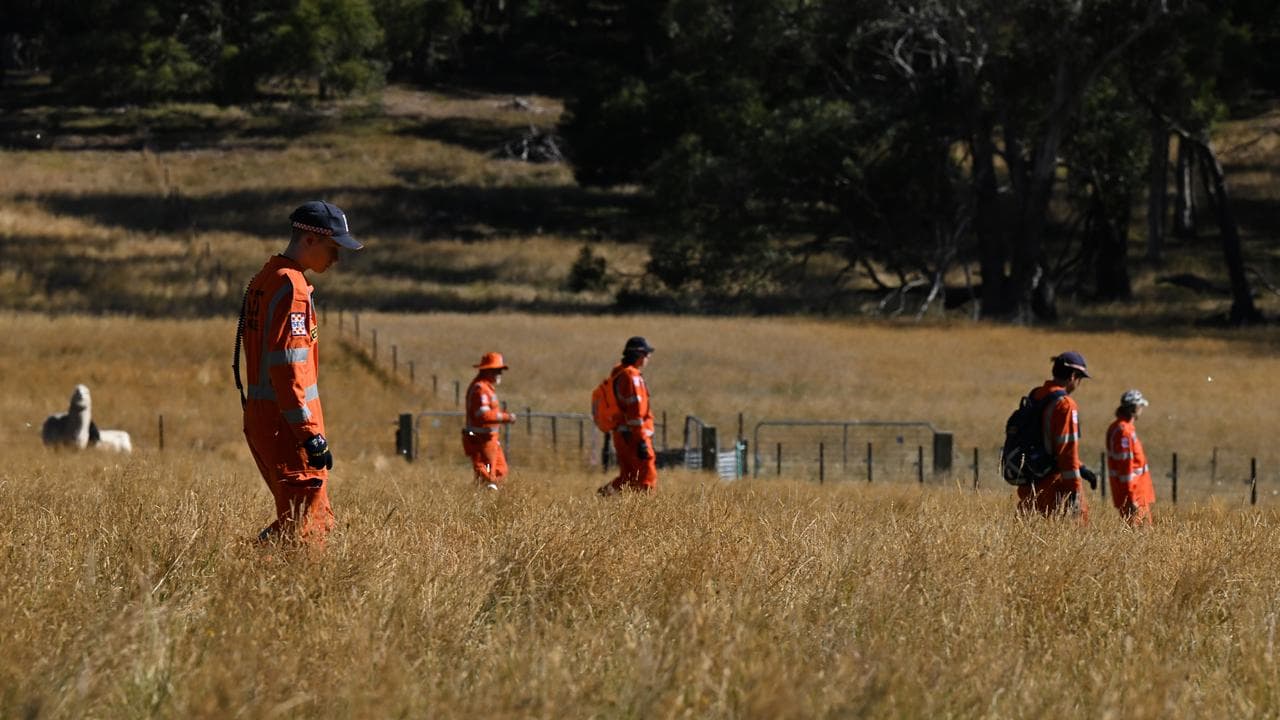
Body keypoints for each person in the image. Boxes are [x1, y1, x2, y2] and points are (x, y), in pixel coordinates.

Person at [235, 200, 363, 547]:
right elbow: (289, 366)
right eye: (332, 248)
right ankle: (254, 577)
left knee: (300, 517)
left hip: (268, 418)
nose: (336, 259)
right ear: (309, 239)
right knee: (307, 526)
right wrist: (310, 434)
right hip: (288, 424)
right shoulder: (291, 287)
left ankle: (250, 571)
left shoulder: (266, 277)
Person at [1016, 351, 1099, 522]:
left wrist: (1081, 468)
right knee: (1073, 540)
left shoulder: (1037, 395)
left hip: (1029, 482)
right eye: (1080, 379)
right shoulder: (1065, 404)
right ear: (1073, 376)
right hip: (1055, 486)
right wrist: (1075, 492)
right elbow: (1066, 452)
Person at [598, 337, 658, 496]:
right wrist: (641, 442)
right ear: (638, 354)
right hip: (634, 436)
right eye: (646, 354)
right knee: (647, 477)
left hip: (622, 434)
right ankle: (644, 512)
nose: (648, 358)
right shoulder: (632, 377)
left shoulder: (619, 373)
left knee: (629, 476)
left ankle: (604, 496)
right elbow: (635, 413)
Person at [462, 352, 517, 490]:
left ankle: (480, 495)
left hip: (489, 440)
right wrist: (507, 417)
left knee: (500, 471)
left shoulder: (486, 388)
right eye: (497, 370)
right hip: (481, 440)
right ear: (487, 370)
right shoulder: (480, 390)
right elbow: (484, 416)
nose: (500, 374)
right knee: (488, 476)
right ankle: (481, 501)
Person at [1106, 389, 1154, 526]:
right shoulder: (1124, 431)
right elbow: (1125, 468)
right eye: (1141, 406)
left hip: (1137, 494)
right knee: (1140, 537)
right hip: (1134, 496)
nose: (1142, 410)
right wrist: (1131, 498)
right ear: (1134, 408)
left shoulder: (1120, 428)